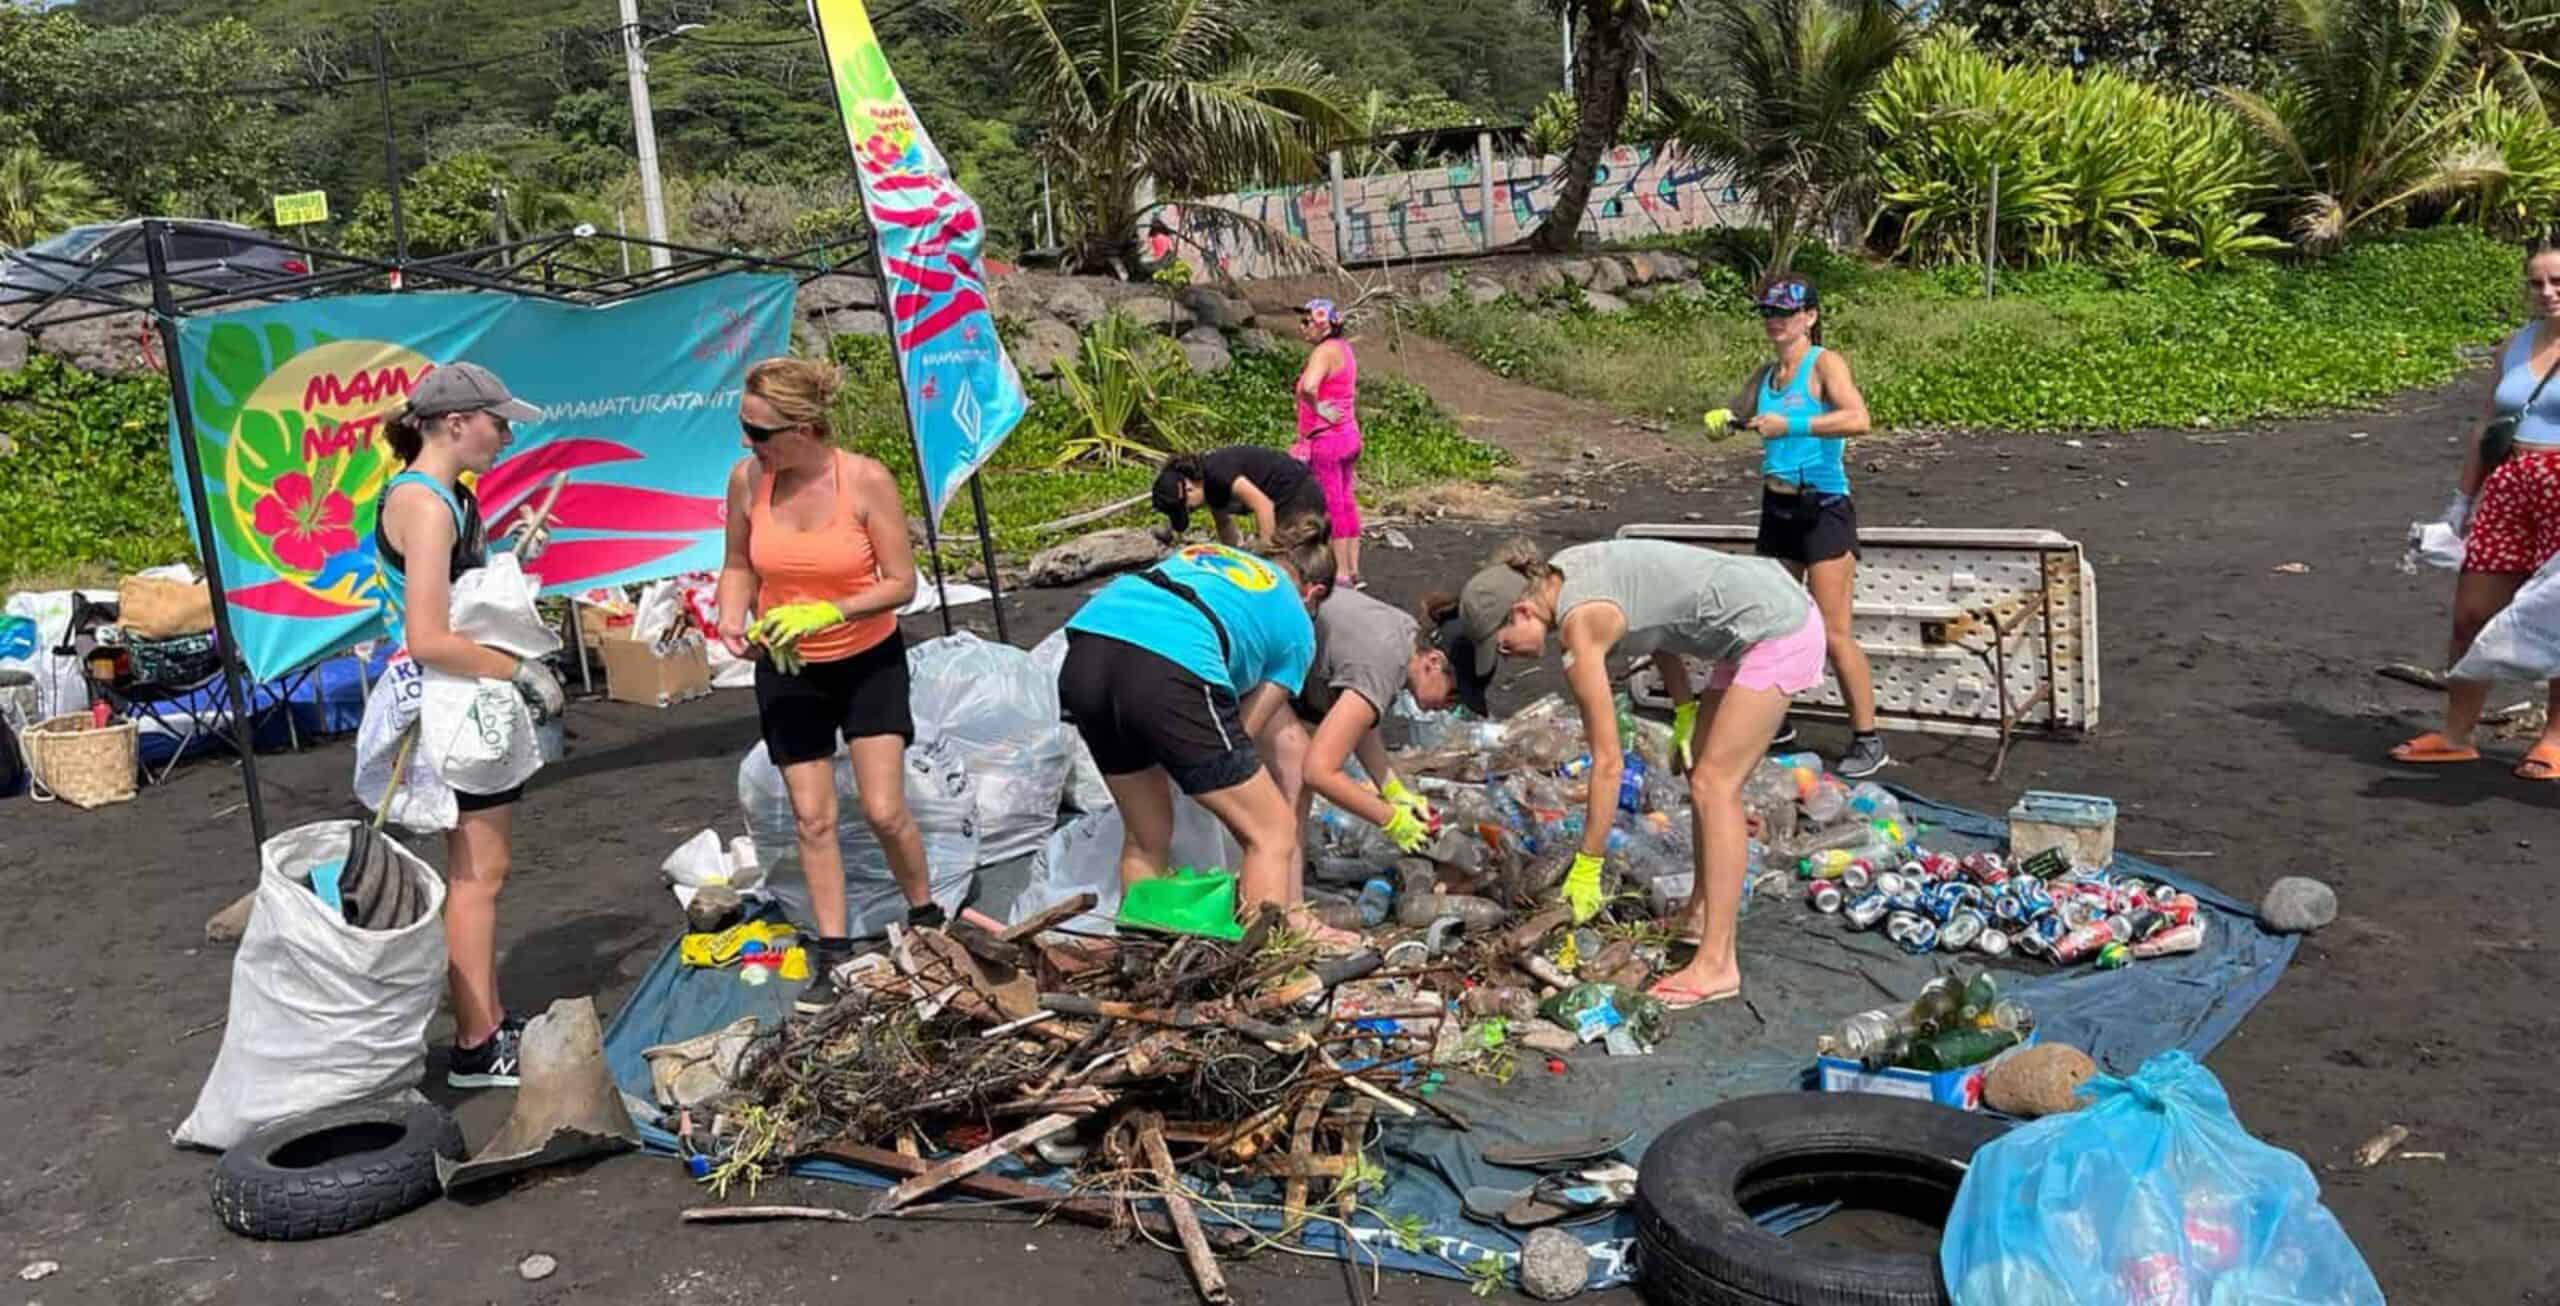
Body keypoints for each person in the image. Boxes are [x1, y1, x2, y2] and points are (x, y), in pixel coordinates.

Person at [1458, 537, 1822, 1009]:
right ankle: (1698, 913)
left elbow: (1608, 762)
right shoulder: (1563, 571)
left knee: (1717, 786)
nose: (1507, 657)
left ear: (1523, 611)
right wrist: (1685, 705)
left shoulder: (1579, 626)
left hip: (1779, 626)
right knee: (1702, 778)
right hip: (1751, 618)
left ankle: (1718, 965)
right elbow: (1658, 625)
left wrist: (1588, 863)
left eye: (1503, 646)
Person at [713, 357, 935, 1015]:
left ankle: (927, 916)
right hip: (788, 667)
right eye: (744, 430)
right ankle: (834, 951)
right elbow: (734, 565)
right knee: (813, 818)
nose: (748, 445)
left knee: (883, 808)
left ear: (805, 428)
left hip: (865, 657)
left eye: (759, 433)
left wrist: (830, 610)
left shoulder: (863, 481)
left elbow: (902, 583)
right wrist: (732, 616)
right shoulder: (746, 480)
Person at [375, 362, 564, 1089]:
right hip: (456, 700)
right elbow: (429, 634)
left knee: (480, 872)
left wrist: (511, 561)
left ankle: (484, 1023)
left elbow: (459, 596)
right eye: (498, 421)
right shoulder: (425, 504)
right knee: (478, 875)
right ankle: (478, 1045)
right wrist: (518, 670)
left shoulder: (445, 497)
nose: (506, 434)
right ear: (455, 424)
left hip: (459, 695)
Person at [1054, 524, 1345, 940]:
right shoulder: (1299, 626)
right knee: (1271, 832)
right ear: (1313, 593)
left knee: (1145, 837)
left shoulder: (1210, 554)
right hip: (1171, 664)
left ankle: (1140, 957)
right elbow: (1241, 731)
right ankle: (1260, 972)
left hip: (1089, 652)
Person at [2392, 239, 2560, 780]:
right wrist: (2461, 504)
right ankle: (2457, 731)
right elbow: (2487, 426)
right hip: (2510, 483)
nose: (2547, 293)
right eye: (2537, 283)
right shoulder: (2516, 344)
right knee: (2471, 612)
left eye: (2557, 282)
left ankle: (2554, 739)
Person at [1730, 274, 1888, 779]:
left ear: (1810, 318)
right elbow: (1737, 413)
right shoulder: (1766, 375)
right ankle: (1777, 725)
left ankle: (1868, 738)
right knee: (1772, 620)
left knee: (1834, 631)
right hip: (1777, 508)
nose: (1775, 321)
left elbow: (1858, 418)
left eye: (1785, 313)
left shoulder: (1825, 365)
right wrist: (1723, 422)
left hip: (1822, 505)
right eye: (1768, 313)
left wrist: (1792, 425)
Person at [1252, 585, 1490, 883]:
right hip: (1251, 652)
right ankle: (1285, 901)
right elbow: (1319, 771)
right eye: (1453, 696)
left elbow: (1361, 718)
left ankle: (1283, 889)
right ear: (1433, 663)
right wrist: (1390, 820)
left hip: (1272, 652)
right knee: (1296, 772)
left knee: (1297, 756)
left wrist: (1395, 791)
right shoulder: (1383, 664)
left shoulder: (1407, 635)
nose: (1446, 708)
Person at [1291, 298, 1366, 589]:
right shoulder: (1343, 349)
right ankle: (1353, 569)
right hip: (1348, 435)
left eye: (1307, 321)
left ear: (1323, 324)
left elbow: (1310, 386)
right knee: (1346, 501)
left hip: (1328, 439)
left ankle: (1341, 574)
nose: (1302, 327)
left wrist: (1319, 409)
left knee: (1331, 504)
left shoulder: (1323, 352)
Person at [1151, 446, 1330, 548]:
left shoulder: (1217, 472)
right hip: (1278, 502)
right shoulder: (1210, 492)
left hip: (1299, 492)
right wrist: (1231, 556)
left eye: (1188, 507)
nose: (1192, 510)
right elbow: (1224, 524)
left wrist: (1265, 554)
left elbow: (1263, 506)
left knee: (1290, 555)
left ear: (1189, 488)